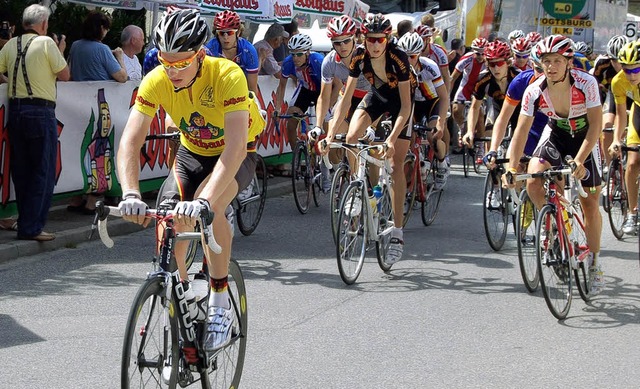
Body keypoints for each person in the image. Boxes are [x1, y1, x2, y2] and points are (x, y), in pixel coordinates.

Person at [116, 10, 265, 353]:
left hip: (237, 150)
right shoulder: (157, 79)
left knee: (205, 205)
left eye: (181, 64)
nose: (173, 72)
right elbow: (131, 140)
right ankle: (178, 292)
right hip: (192, 151)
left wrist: (204, 202)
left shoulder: (227, 74)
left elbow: (235, 147)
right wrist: (130, 191)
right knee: (169, 219)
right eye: (167, 63)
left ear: (200, 55)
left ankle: (218, 298)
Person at [505, 35, 604, 295]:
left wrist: (580, 161)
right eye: (546, 61)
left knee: (591, 204)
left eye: (557, 61)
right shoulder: (534, 90)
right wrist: (512, 167)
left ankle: (594, 264)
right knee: (533, 180)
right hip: (557, 136)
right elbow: (521, 131)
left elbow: (596, 125)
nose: (551, 66)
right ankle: (554, 224)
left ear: (568, 62)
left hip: (585, 140)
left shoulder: (586, 83)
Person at [327, 14, 416, 265]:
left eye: (380, 40)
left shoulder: (399, 57)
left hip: (401, 104)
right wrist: (331, 132)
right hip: (377, 96)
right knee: (351, 137)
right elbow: (345, 99)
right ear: (363, 39)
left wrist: (391, 140)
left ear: (387, 39)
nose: (375, 45)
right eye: (370, 40)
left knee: (396, 164)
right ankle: (359, 189)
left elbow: (406, 106)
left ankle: (397, 232)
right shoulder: (358, 55)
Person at [0, 4, 70, 241]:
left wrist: (9, 81)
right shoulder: (47, 43)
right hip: (40, 110)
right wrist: (60, 48)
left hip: (16, 109)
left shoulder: (11, 44)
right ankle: (31, 227)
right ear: (43, 24)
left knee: (22, 170)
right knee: (43, 170)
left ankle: (25, 222)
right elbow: (65, 75)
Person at [67, 10, 128, 214]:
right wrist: (119, 56)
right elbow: (121, 77)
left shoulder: (75, 46)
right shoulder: (102, 49)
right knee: (100, 152)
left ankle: (76, 196)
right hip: (100, 105)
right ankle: (92, 200)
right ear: (101, 28)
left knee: (78, 151)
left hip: (76, 106)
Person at [311, 15, 369, 191]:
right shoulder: (329, 62)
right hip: (348, 98)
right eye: (337, 43)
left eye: (346, 41)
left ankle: (370, 191)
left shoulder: (365, 57)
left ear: (354, 38)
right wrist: (319, 126)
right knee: (334, 137)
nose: (342, 46)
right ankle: (351, 178)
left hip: (370, 97)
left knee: (368, 146)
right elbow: (324, 96)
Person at [397, 32, 449, 189]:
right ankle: (408, 185)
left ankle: (441, 163)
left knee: (432, 135)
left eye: (412, 56)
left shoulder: (429, 67)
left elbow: (444, 97)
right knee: (407, 141)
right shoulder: (397, 66)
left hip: (431, 102)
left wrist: (440, 123)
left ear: (419, 54)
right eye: (404, 56)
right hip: (411, 104)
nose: (408, 61)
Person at [462, 40, 520, 164]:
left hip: (518, 111)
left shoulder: (518, 78)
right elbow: (474, 107)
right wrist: (470, 131)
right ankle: (493, 174)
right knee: (489, 133)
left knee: (518, 146)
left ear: (508, 62)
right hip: (497, 107)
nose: (496, 68)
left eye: (499, 63)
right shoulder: (483, 80)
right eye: (492, 64)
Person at [609, 40, 640, 236]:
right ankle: (632, 212)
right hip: (638, 111)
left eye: (635, 70)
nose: (631, 75)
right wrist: (615, 139)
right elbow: (621, 115)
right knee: (633, 161)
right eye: (626, 70)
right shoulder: (618, 81)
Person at [274, 34, 324, 150]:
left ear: (307, 52)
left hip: (322, 91)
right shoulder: (288, 63)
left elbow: (329, 86)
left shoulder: (318, 61)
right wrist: (277, 108)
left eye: (299, 54)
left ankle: (325, 160)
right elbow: (282, 86)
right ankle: (296, 154)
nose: (295, 58)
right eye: (293, 54)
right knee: (291, 121)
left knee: (323, 125)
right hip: (305, 90)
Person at [591, 35, 626, 172]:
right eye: (614, 60)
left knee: (624, 127)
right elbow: (593, 88)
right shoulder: (601, 64)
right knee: (606, 128)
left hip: (629, 96)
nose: (618, 65)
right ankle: (609, 166)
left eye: (621, 60)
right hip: (612, 93)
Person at [205, 11, 259, 94]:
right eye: (221, 33)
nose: (225, 38)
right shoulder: (210, 49)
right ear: (217, 34)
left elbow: (252, 89)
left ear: (238, 33)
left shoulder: (249, 50)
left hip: (241, 88)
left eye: (230, 33)